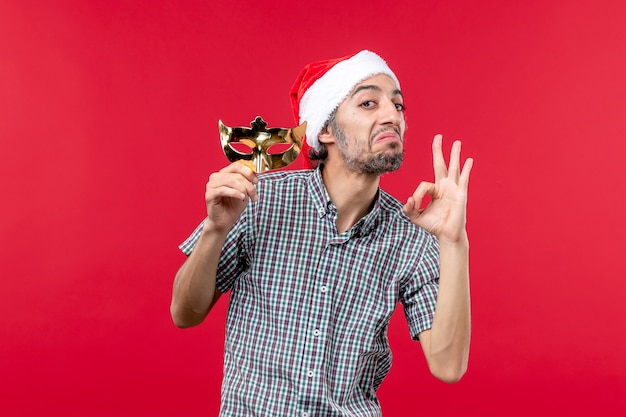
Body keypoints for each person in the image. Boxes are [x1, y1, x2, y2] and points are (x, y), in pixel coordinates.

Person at [171, 50, 473, 416]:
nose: (392, 116)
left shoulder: (411, 234)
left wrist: (455, 243)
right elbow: (184, 313)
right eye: (368, 102)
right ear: (325, 130)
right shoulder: (259, 198)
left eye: (398, 106)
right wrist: (215, 230)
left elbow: (448, 365)